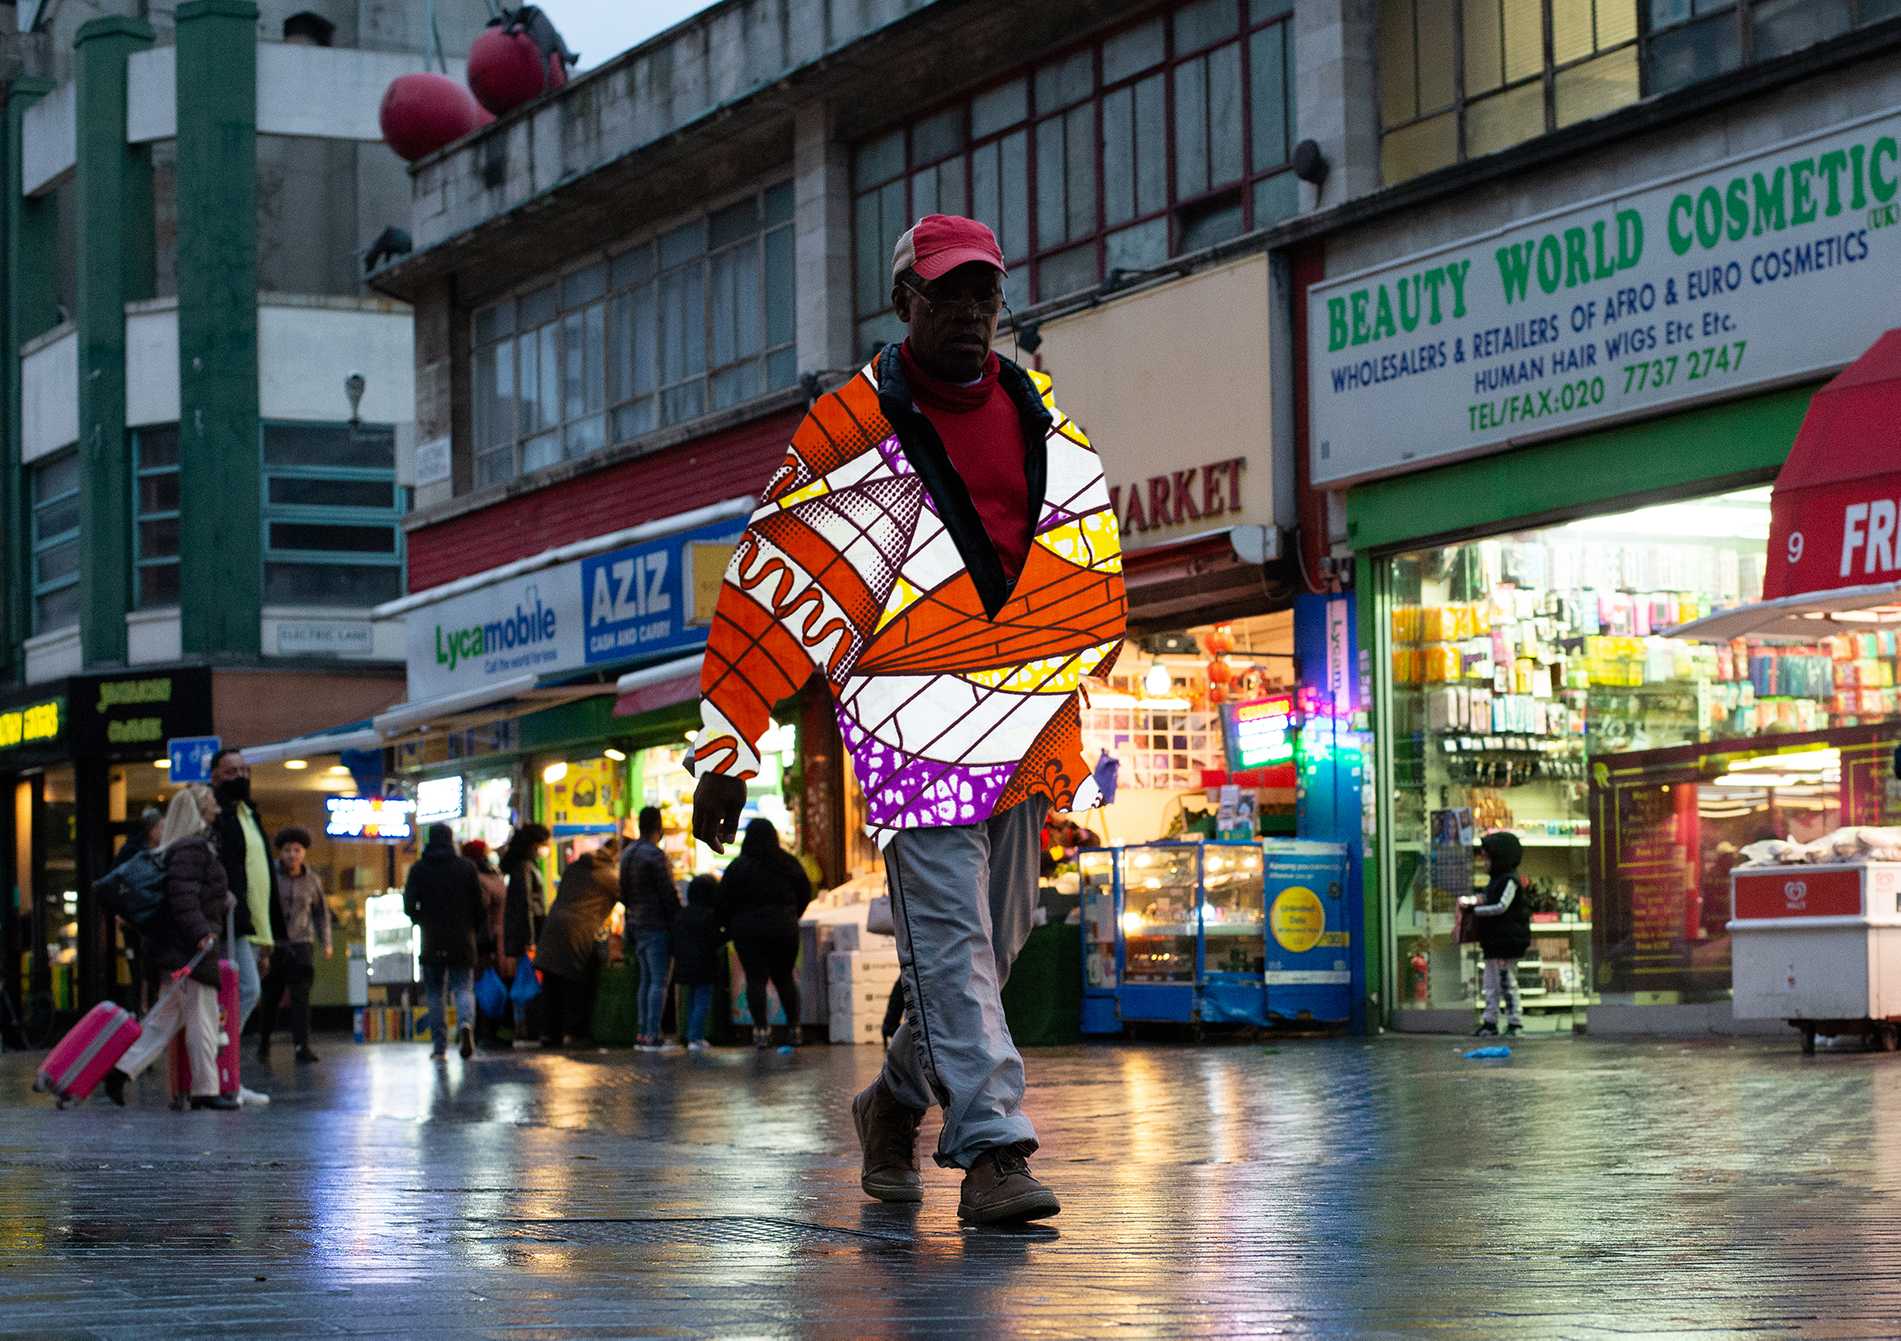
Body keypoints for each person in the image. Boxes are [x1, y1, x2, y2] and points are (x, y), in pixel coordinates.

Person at [690, 214, 1126, 1223]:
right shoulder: (847, 433)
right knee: (950, 942)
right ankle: (991, 1152)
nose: (971, 314)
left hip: (1023, 720)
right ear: (904, 304)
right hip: (909, 717)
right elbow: (771, 588)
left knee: (992, 943)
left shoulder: (1046, 419)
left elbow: (1086, 555)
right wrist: (726, 746)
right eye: (948, 295)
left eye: (985, 294)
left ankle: (890, 1105)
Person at [104, 786, 236, 1110]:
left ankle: (120, 1072)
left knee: (163, 1020)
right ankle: (206, 1090)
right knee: (202, 1019)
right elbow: (184, 898)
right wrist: (202, 932)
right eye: (211, 803)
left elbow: (189, 894)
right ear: (198, 810)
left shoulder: (180, 848)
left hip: (177, 947)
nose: (217, 809)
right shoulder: (192, 848)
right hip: (190, 950)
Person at [209, 747, 276, 1106]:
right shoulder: (219, 817)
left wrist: (267, 936)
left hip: (250, 926)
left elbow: (260, 876)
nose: (241, 776)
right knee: (244, 993)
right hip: (230, 923)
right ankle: (221, 1070)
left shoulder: (249, 814)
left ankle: (225, 1073)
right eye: (231, 771)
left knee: (241, 996)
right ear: (216, 776)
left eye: (244, 770)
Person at [716, 819, 812, 1050]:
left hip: (748, 932)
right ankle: (794, 1028)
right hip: (783, 929)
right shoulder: (788, 863)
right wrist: (792, 914)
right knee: (785, 977)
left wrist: (730, 925)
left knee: (755, 979)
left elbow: (722, 902)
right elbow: (805, 891)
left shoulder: (738, 867)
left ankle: (761, 1031)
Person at [402, 823, 485, 1060]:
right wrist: (473, 929)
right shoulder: (466, 868)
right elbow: (479, 906)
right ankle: (465, 1025)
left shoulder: (419, 869)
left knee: (436, 993)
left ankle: (439, 1048)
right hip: (463, 937)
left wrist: (421, 919)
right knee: (463, 988)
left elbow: (408, 904)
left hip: (431, 937)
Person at [534, 834, 623, 1048]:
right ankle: (575, 1033)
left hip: (552, 927)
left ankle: (549, 1033)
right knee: (577, 982)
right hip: (578, 933)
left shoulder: (574, 868)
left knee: (552, 983)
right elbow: (629, 897)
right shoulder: (609, 876)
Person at [254, 826, 332, 1064]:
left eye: (297, 850)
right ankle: (264, 1042)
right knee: (271, 996)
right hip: (275, 943)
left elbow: (321, 913)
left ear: (304, 853)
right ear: (281, 853)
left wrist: (326, 941)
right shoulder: (269, 876)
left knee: (301, 998)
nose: (292, 855)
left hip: (302, 944)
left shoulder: (312, 880)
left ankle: (302, 1046)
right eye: (287, 850)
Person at [620, 806, 680, 1052]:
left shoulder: (627, 854)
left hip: (636, 924)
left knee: (645, 980)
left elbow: (622, 892)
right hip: (656, 925)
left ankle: (643, 1033)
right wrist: (677, 918)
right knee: (658, 980)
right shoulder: (654, 855)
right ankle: (653, 1034)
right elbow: (668, 893)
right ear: (658, 826)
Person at [1465, 831, 1530, 1038]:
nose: (1483, 862)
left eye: (1487, 857)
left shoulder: (1509, 881)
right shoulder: (1497, 880)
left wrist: (1474, 910)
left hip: (1505, 941)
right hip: (1495, 940)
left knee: (1505, 982)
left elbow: (1501, 906)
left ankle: (1514, 1022)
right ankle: (1490, 1021)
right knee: (1491, 983)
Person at [499, 822, 552, 1043]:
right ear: (533, 845)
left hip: (525, 934)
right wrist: (530, 940)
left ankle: (524, 1027)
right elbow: (526, 905)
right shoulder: (525, 868)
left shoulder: (522, 866)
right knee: (528, 982)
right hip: (529, 935)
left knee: (525, 980)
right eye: (543, 844)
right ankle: (527, 1028)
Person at [672, 874, 725, 1051]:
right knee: (702, 1001)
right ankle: (696, 1037)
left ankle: (689, 1035)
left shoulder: (682, 914)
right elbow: (715, 939)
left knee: (690, 1001)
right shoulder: (710, 915)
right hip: (705, 965)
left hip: (685, 965)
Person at [464, 840, 509, 1048]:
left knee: (483, 985)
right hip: (499, 938)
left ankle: (485, 1031)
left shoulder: (476, 879)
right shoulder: (495, 875)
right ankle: (497, 1030)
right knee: (495, 983)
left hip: (486, 940)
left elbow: (480, 912)